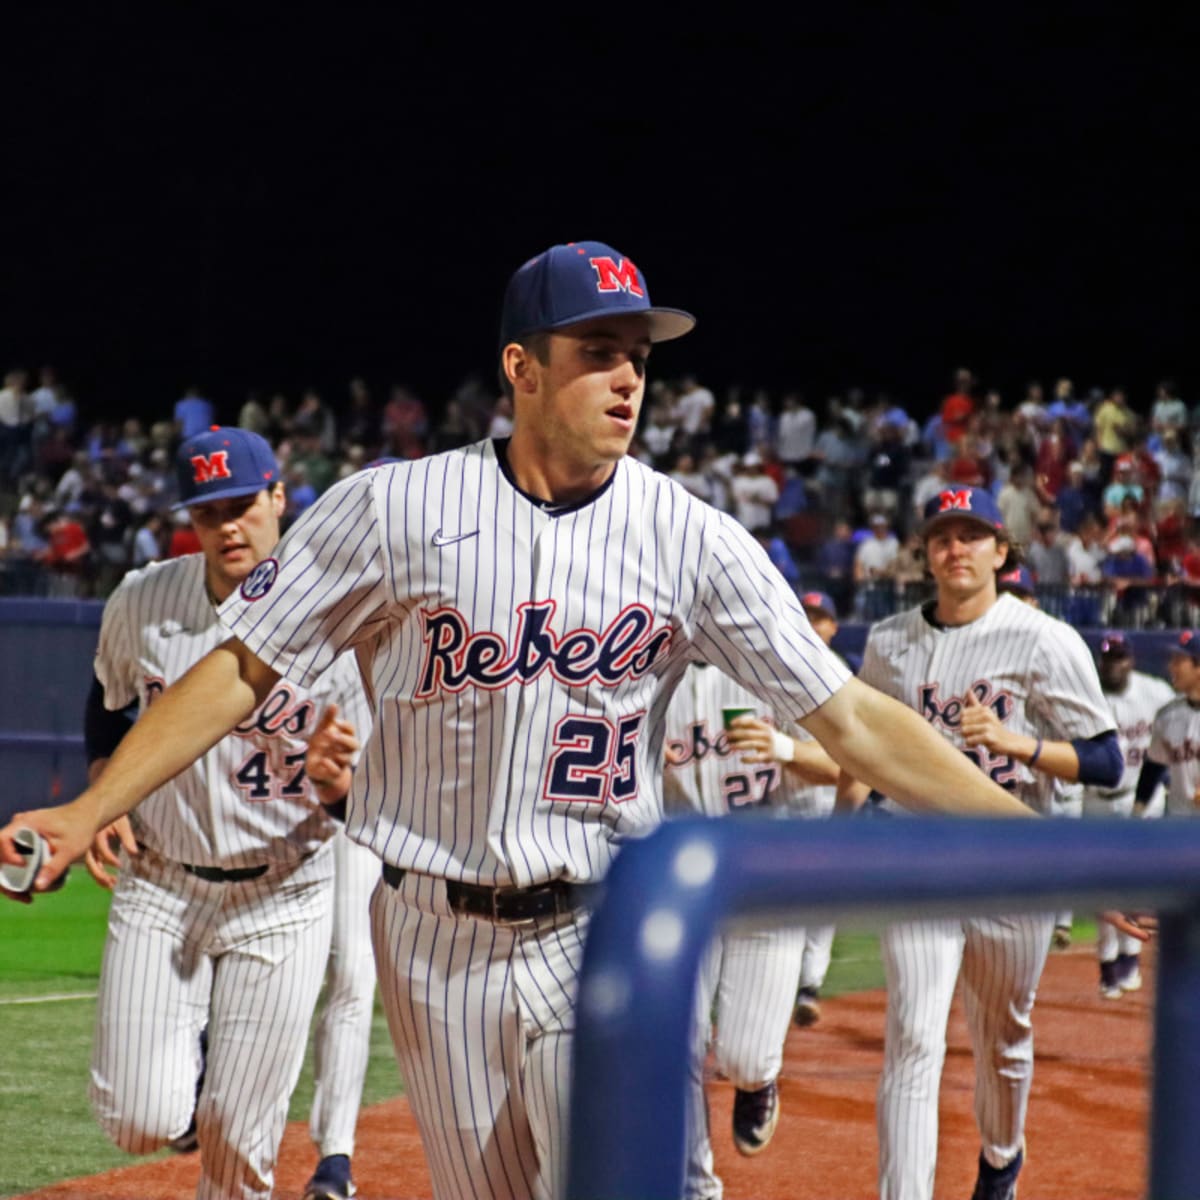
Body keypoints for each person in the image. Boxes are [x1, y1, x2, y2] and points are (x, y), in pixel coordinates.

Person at [4, 241, 1039, 1200]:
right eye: (599, 352)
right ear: (523, 368)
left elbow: (851, 715)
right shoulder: (393, 510)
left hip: (602, 922)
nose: (631, 376)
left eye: (638, 355)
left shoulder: (691, 538)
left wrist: (1032, 838)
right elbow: (240, 665)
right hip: (430, 937)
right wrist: (88, 808)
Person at [76, 427, 372, 1200]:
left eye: (243, 505)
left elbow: (377, 795)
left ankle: (230, 1097)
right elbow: (107, 706)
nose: (229, 527)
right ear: (191, 520)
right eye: (210, 513)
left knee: (239, 1150)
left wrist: (340, 785)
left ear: (280, 497)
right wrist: (105, 785)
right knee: (137, 1119)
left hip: (282, 892)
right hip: (161, 880)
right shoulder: (144, 600)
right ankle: (203, 1062)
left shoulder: (344, 622)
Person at [840, 485, 1126, 1200]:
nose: (955, 548)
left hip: (1014, 859)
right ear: (925, 554)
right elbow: (875, 749)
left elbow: (1105, 760)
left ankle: (1001, 1157)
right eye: (942, 536)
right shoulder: (889, 642)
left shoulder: (1044, 640)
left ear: (1003, 552)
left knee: (1003, 1037)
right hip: (921, 855)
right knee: (912, 1034)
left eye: (972, 536)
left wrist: (1019, 743)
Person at [662, 663, 841, 1198]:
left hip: (768, 881)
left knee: (742, 1057)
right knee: (678, 1047)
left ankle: (757, 1082)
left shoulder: (775, 667)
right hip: (687, 882)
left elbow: (848, 763)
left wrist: (784, 749)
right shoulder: (650, 668)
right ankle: (697, 1187)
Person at [1084, 633, 1174, 998]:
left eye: (1119, 657)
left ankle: (1130, 958)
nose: (1113, 664)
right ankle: (1108, 964)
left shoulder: (1155, 693)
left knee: (1137, 883)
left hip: (1143, 800)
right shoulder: (1088, 695)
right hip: (1097, 801)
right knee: (1104, 888)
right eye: (1107, 658)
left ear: (1132, 660)